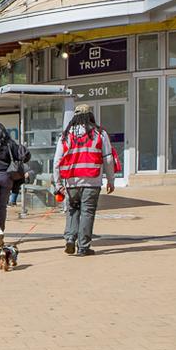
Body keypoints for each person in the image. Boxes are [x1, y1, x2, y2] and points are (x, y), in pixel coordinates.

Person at [52, 106, 117, 256]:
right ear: (90, 116)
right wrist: (111, 180)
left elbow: (57, 161)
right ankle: (83, 246)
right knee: (87, 212)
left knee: (72, 210)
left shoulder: (66, 135)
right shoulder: (100, 134)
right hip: (92, 181)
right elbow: (108, 159)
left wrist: (58, 184)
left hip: (71, 182)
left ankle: (70, 238)